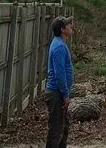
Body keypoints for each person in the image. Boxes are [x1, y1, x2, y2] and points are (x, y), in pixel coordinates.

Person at [45, 15, 74, 148]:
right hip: (56, 93)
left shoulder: (60, 44)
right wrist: (65, 94)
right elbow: (59, 75)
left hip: (59, 92)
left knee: (63, 127)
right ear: (63, 29)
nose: (71, 26)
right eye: (68, 25)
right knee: (56, 130)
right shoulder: (59, 47)